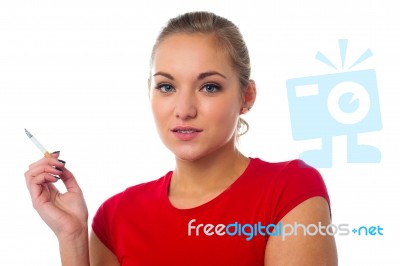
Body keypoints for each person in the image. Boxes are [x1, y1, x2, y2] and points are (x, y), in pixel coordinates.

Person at [25, 11, 338, 265]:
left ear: (247, 96)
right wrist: (73, 237)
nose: (184, 110)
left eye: (209, 87)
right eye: (167, 87)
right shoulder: (116, 218)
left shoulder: (291, 189)